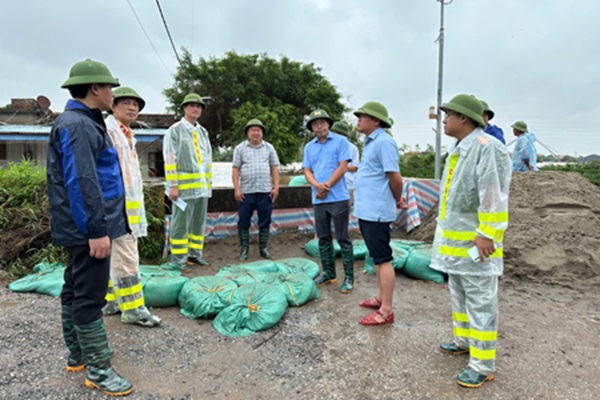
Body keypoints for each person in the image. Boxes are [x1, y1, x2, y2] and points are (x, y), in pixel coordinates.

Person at [47, 59, 133, 396]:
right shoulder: (78, 125)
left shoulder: (81, 121)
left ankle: (78, 354)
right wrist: (97, 231)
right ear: (95, 88)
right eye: (110, 87)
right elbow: (83, 181)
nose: (113, 92)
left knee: (74, 286)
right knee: (90, 295)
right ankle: (98, 370)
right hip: (88, 229)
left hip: (80, 225)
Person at [431, 94, 512, 388]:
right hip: (458, 246)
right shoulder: (460, 149)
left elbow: (493, 195)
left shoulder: (487, 149)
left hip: (478, 245)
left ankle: (482, 364)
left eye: (448, 114)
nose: (444, 119)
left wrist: (486, 234)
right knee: (460, 295)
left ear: (464, 117)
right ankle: (463, 340)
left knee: (481, 302)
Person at [102, 86, 161, 327]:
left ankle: (112, 301)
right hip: (119, 208)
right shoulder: (109, 131)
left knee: (115, 257)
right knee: (127, 258)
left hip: (125, 208)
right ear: (113, 106)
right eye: (126, 103)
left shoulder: (126, 135)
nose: (132, 108)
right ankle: (134, 309)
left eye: (135, 105)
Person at [352, 102, 403, 326]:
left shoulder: (384, 142)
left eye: (362, 116)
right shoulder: (370, 142)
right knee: (376, 256)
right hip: (368, 210)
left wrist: (397, 197)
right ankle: (380, 298)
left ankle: (386, 310)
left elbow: (395, 177)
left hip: (377, 211)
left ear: (376, 120)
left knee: (383, 259)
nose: (358, 119)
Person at [303, 109, 354, 293]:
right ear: (311, 127)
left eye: (322, 122)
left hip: (338, 197)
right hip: (318, 199)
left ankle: (349, 277)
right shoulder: (309, 147)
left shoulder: (341, 142)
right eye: (315, 123)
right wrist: (317, 185)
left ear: (328, 124)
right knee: (323, 238)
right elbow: (307, 170)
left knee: (343, 237)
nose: (319, 125)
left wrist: (326, 186)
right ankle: (329, 273)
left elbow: (343, 166)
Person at [163, 93, 213, 271]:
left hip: (201, 188)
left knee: (198, 223)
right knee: (180, 224)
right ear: (184, 108)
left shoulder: (202, 131)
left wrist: (208, 184)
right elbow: (169, 158)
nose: (195, 109)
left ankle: (195, 254)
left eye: (198, 106)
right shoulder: (175, 130)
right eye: (191, 105)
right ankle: (178, 259)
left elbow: (207, 159)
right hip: (183, 189)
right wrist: (173, 185)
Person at [232, 119, 280, 260]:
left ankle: (263, 249)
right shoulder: (240, 149)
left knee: (265, 220)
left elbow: (275, 168)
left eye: (258, 130)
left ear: (262, 133)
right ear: (247, 133)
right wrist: (236, 189)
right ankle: (244, 250)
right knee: (243, 221)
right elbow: (235, 169)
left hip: (265, 191)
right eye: (252, 130)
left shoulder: (269, 148)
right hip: (246, 192)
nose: (255, 133)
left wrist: (276, 187)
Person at [330, 121, 360, 206]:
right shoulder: (328, 146)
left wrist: (342, 166)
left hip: (347, 186)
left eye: (334, 133)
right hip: (331, 186)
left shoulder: (352, 148)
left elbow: (355, 168)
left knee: (344, 215)